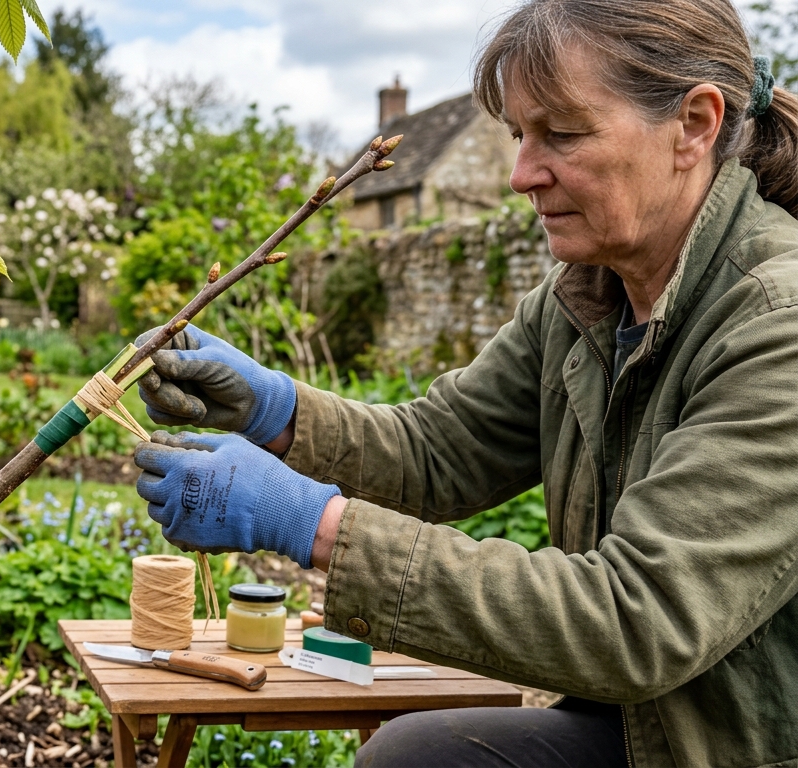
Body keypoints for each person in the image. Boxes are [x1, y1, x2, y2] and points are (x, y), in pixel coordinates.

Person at [131, 0, 798, 765]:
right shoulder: (585, 298)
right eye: (520, 135)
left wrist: (308, 521)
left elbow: (635, 620)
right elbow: (436, 452)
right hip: (653, 731)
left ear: (695, 125)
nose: (521, 175)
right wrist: (273, 411)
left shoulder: (777, 326)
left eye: (563, 134)